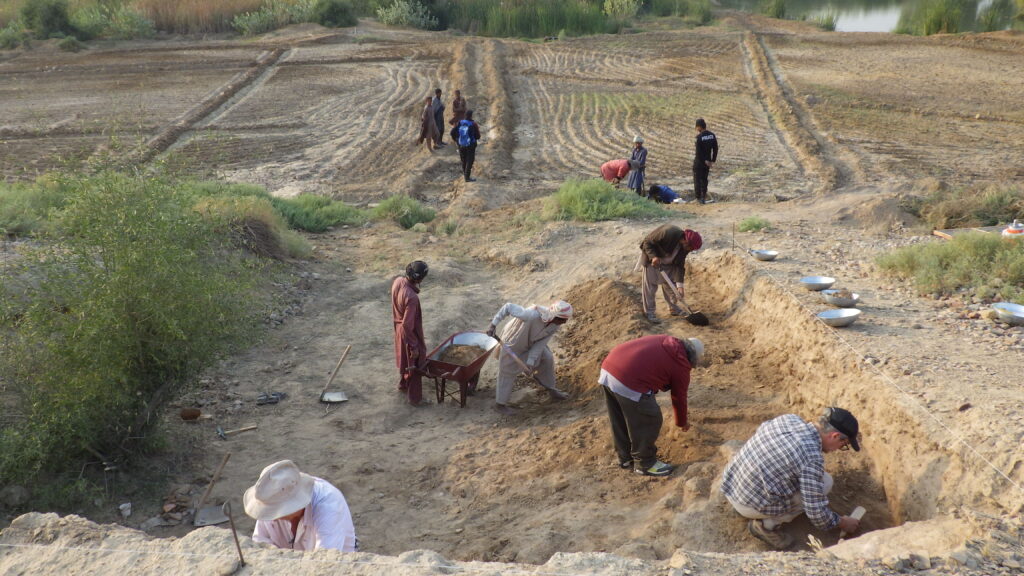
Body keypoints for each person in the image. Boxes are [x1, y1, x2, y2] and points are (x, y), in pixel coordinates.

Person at [721, 408, 863, 550]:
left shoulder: (789, 419)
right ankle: (766, 525)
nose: (838, 449)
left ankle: (753, 506)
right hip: (747, 504)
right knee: (825, 483)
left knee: (812, 478)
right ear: (835, 436)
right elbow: (817, 515)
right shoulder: (811, 458)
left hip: (730, 483)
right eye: (843, 445)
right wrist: (843, 522)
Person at [600, 334, 704, 477]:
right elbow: (679, 397)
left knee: (619, 417)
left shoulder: (666, 339)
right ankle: (645, 463)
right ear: (692, 358)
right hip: (628, 379)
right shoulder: (681, 364)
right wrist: (682, 422)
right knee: (651, 418)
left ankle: (625, 458)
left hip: (609, 367)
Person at [244, 460, 357, 552]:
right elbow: (260, 542)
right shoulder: (270, 496)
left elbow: (326, 561)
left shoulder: (329, 506)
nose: (274, 517)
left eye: (276, 511)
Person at [485, 300, 573, 415]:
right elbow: (508, 307)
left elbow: (540, 344)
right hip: (513, 343)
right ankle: (500, 404)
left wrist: (530, 362)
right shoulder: (531, 315)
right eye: (563, 319)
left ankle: (551, 388)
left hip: (531, 344)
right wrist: (493, 325)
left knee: (547, 358)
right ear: (554, 315)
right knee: (507, 371)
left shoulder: (555, 325)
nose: (565, 322)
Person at [638, 225, 702, 323]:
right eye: (690, 248)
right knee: (650, 288)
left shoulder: (685, 248)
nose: (690, 250)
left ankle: (673, 308)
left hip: (669, 264)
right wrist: (653, 257)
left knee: (672, 287)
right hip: (654, 260)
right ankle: (649, 312)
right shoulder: (668, 232)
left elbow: (679, 266)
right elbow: (647, 242)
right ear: (686, 241)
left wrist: (680, 286)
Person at [391, 260, 429, 406]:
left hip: (398, 328)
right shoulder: (412, 297)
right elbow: (408, 325)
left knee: (404, 359)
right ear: (420, 279)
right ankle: (415, 398)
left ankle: (402, 384)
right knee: (414, 362)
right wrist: (414, 346)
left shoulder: (397, 281)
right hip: (408, 332)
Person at [450, 109, 481, 182]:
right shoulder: (473, 124)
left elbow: (452, 132)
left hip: (461, 145)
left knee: (463, 160)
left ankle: (465, 175)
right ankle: (467, 178)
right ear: (471, 116)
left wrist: (457, 141)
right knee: (469, 161)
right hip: (470, 145)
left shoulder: (460, 123)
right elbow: (478, 136)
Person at [693, 118, 718, 204]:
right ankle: (703, 197)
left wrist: (704, 160)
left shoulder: (699, 138)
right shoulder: (712, 135)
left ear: (699, 127)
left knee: (697, 180)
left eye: (697, 127)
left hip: (699, 162)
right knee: (704, 179)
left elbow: (698, 152)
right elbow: (715, 148)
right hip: (707, 163)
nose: (696, 129)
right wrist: (712, 160)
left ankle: (698, 198)